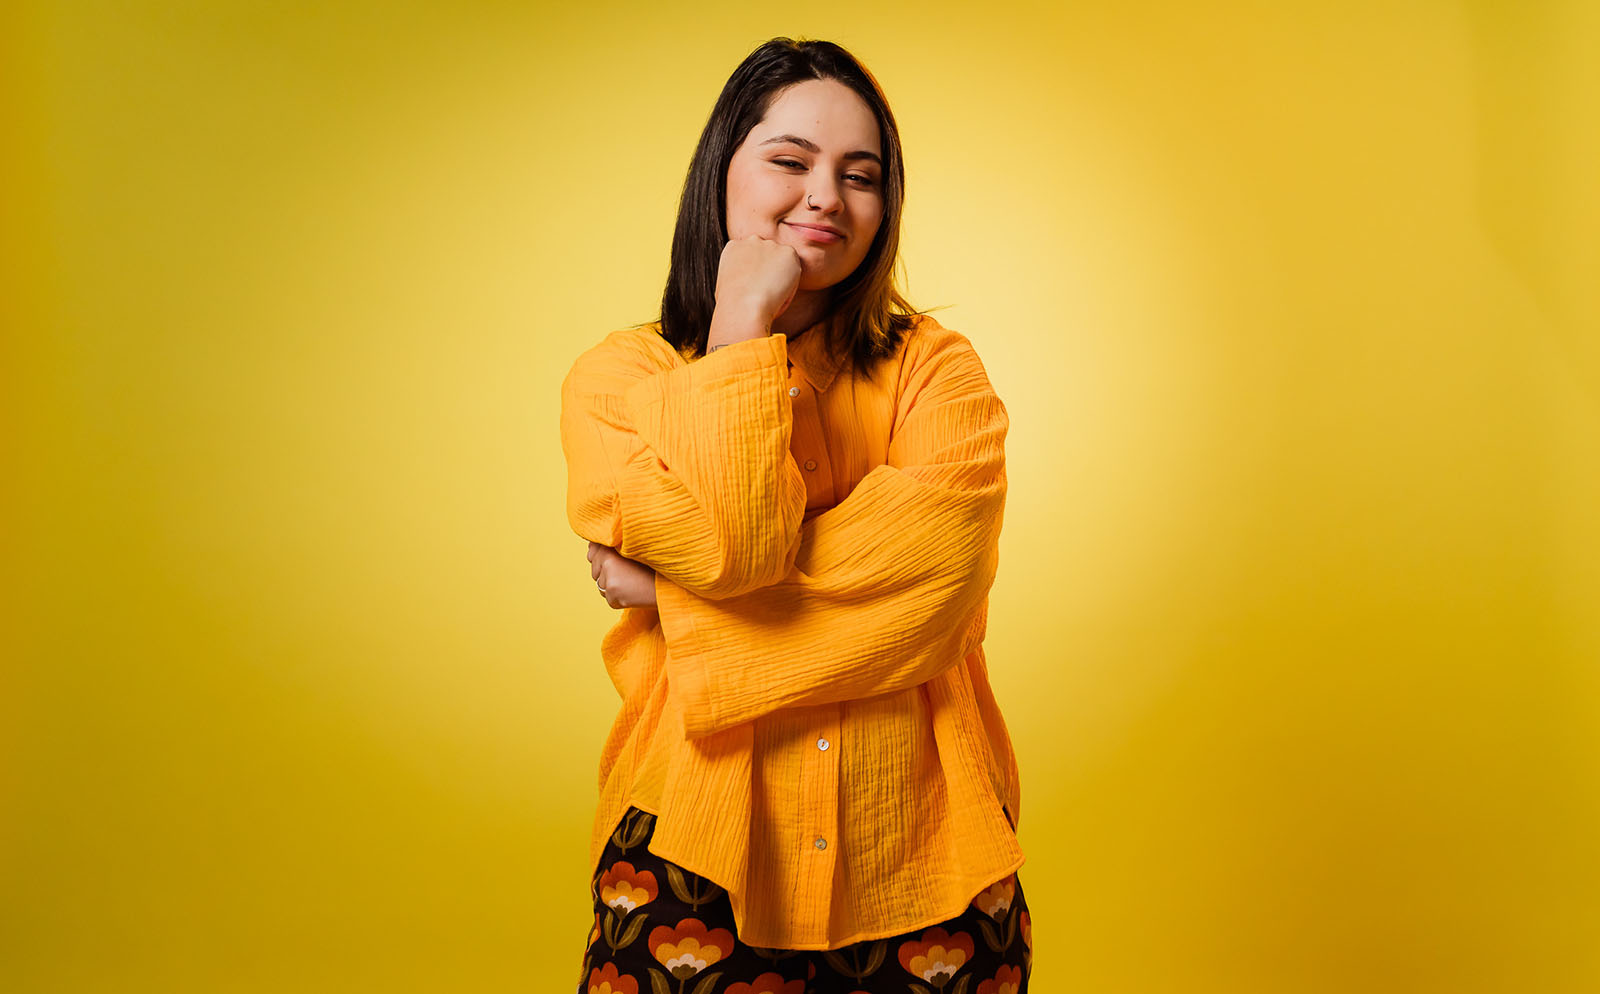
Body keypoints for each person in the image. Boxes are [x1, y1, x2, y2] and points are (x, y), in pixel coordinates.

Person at [560, 37, 1032, 994]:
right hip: (693, 850)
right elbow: (737, 550)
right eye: (790, 161)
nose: (826, 196)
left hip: (928, 862)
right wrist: (740, 332)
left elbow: (933, 589)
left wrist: (670, 596)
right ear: (721, 174)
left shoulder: (937, 370)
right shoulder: (622, 383)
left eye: (861, 176)